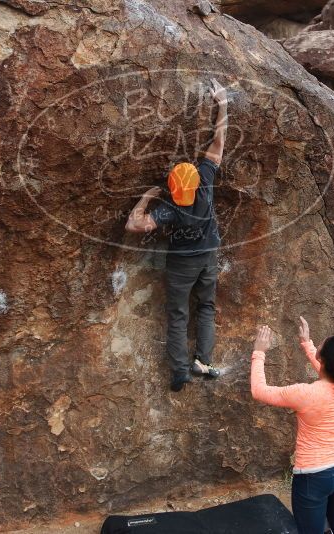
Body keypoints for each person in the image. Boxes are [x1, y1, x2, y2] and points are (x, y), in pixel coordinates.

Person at [125, 79, 228, 392]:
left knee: (179, 315)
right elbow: (219, 142)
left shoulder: (170, 210)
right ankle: (204, 362)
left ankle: (180, 371)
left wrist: (145, 198)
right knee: (206, 306)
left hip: (182, 265)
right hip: (208, 256)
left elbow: (134, 225)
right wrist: (222, 104)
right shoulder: (206, 183)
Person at [250, 318, 334, 534]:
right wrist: (307, 343)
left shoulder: (306, 393)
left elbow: (259, 391)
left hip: (314, 476)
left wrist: (259, 352)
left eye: (320, 344)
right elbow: (330, 370)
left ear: (322, 357)